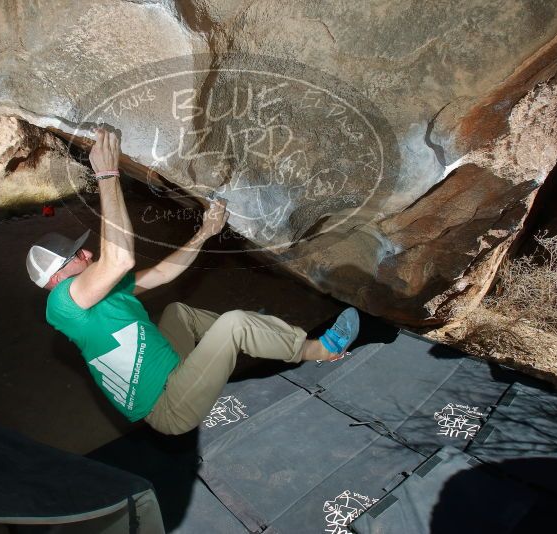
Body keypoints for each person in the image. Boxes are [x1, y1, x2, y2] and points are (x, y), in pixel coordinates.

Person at [26, 129, 360, 435]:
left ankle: (239, 346)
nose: (85, 254)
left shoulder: (103, 295)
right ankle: (321, 350)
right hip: (169, 407)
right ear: (56, 279)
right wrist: (107, 174)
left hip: (172, 371)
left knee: (177, 313)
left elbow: (161, 274)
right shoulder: (62, 306)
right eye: (75, 257)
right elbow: (119, 259)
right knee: (235, 325)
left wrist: (205, 232)